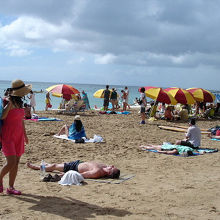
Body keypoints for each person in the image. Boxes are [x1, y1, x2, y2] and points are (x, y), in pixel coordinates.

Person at [0, 79, 31, 195]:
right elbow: (3, 116)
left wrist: (25, 135)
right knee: (11, 162)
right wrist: (10, 103)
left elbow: (21, 121)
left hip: (19, 135)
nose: (25, 93)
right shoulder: (8, 101)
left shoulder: (20, 103)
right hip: (8, 134)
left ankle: (11, 187)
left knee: (16, 162)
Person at [27, 160, 120, 179]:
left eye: (112, 168)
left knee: (55, 166)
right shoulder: (104, 167)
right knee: (55, 165)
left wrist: (62, 175)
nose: (111, 165)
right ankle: (47, 165)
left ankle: (37, 167)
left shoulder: (97, 172)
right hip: (78, 163)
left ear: (109, 173)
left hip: (73, 167)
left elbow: (82, 174)